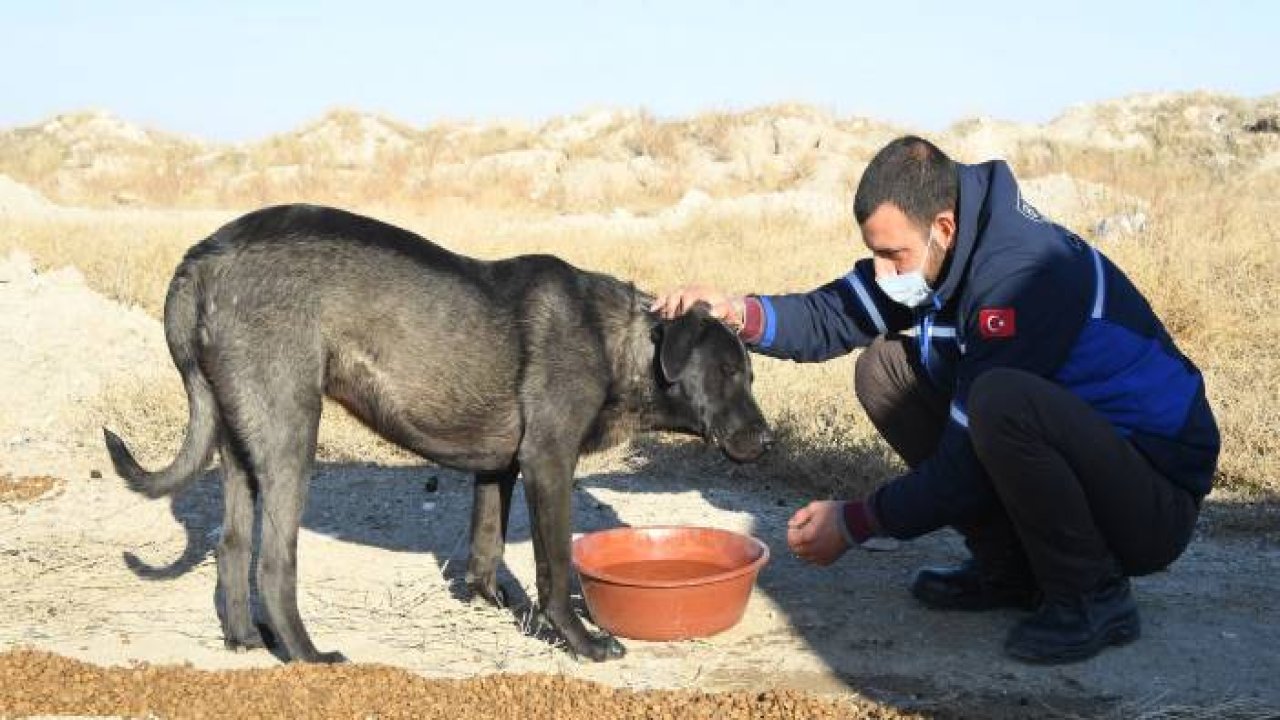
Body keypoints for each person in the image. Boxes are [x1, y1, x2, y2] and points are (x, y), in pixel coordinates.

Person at [651, 136, 1219, 664]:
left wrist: (856, 522)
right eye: (875, 253)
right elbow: (832, 316)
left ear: (943, 226)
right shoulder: (942, 249)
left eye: (893, 254)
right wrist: (737, 313)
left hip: (1150, 502)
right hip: (1090, 468)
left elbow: (965, 461)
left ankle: (1093, 598)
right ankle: (1011, 572)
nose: (883, 271)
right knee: (885, 369)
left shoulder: (1024, 277)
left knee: (1000, 403)